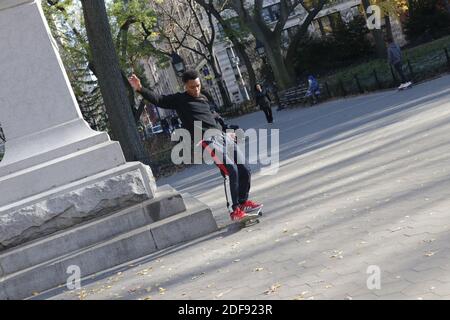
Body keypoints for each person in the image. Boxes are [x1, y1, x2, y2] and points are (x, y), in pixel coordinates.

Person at [128, 70, 261, 221]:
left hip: (223, 136)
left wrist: (227, 130)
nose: (196, 89)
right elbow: (159, 100)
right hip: (206, 139)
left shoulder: (203, 98)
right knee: (230, 170)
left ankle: (243, 203)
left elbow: (214, 117)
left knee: (244, 168)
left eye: (198, 86)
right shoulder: (180, 99)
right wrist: (140, 88)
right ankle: (234, 210)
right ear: (185, 86)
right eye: (192, 87)